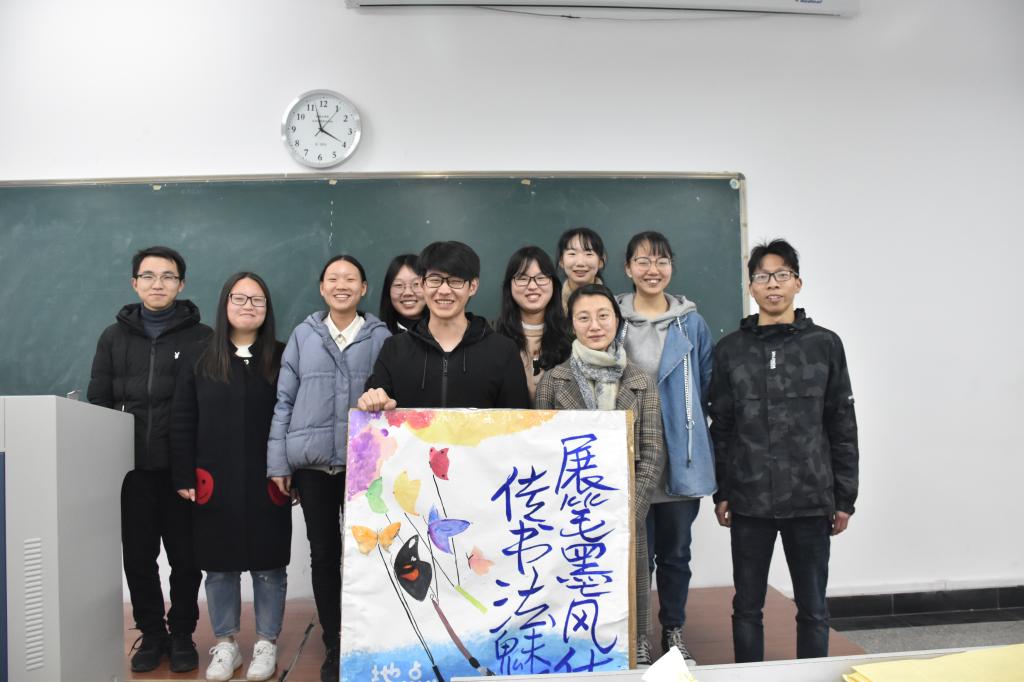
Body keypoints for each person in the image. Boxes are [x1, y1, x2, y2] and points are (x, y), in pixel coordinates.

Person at [709, 239, 859, 663]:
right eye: (762, 276)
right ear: (751, 287)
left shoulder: (825, 345)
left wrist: (844, 497)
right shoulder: (730, 350)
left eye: (781, 275)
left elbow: (841, 424)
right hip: (749, 500)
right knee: (747, 607)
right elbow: (721, 427)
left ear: (797, 283)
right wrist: (723, 491)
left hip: (810, 497)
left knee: (813, 608)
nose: (772, 284)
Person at [267, 255, 391, 682]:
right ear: (322, 288)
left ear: (364, 288)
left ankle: (366, 637)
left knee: (369, 553)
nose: (342, 285)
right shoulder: (304, 336)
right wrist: (278, 461)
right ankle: (335, 642)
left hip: (365, 464)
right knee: (323, 555)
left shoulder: (381, 336)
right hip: (313, 465)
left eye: (350, 279)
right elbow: (284, 401)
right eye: (333, 279)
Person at [87, 245, 209, 673]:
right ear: (134, 283)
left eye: (168, 276)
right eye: (149, 276)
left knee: (186, 559)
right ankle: (152, 634)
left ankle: (182, 634)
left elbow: (209, 404)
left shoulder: (202, 338)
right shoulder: (112, 337)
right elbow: (98, 401)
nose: (159, 284)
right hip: (131, 470)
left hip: (182, 470)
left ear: (182, 283)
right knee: (138, 558)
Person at [535, 283, 665, 667]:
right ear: (571, 324)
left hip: (626, 512)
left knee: (628, 584)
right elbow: (541, 453)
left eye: (603, 315)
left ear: (617, 320)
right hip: (569, 514)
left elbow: (652, 453)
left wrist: (627, 514)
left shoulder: (640, 381)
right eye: (584, 317)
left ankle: (636, 642)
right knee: (574, 592)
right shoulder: (553, 381)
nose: (595, 325)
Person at [171, 272, 290, 682]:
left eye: (257, 300)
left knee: (269, 564)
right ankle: (226, 644)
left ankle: (267, 642)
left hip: (268, 477)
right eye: (239, 298)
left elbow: (293, 415)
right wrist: (183, 474)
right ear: (225, 304)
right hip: (213, 478)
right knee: (219, 566)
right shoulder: (200, 357)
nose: (248, 306)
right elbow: (182, 417)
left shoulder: (282, 356)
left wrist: (290, 469)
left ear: (267, 308)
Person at [617, 231, 716, 662]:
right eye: (642, 261)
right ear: (628, 268)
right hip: (631, 457)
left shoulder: (690, 323)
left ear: (671, 267)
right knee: (637, 556)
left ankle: (673, 631)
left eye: (661, 261)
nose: (652, 270)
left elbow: (706, 384)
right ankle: (638, 634)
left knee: (675, 554)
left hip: (680, 459)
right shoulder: (614, 318)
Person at [358, 240, 530, 411]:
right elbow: (376, 407)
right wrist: (372, 400)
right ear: (423, 284)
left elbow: (518, 422)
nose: (444, 291)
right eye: (435, 280)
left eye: (455, 281)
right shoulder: (394, 349)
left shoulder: (503, 351)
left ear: (473, 286)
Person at [493, 246, 571, 404]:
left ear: (553, 284)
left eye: (541, 278)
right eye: (522, 278)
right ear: (509, 286)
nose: (532, 286)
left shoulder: (572, 336)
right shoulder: (492, 337)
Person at [555, 226, 606, 313]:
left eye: (588, 254)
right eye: (572, 254)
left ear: (600, 262)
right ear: (561, 261)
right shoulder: (551, 306)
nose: (580, 263)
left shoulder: (612, 304)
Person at [379, 253, 425, 334]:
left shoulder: (445, 334)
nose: (408, 293)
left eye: (416, 284)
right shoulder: (378, 336)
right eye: (399, 285)